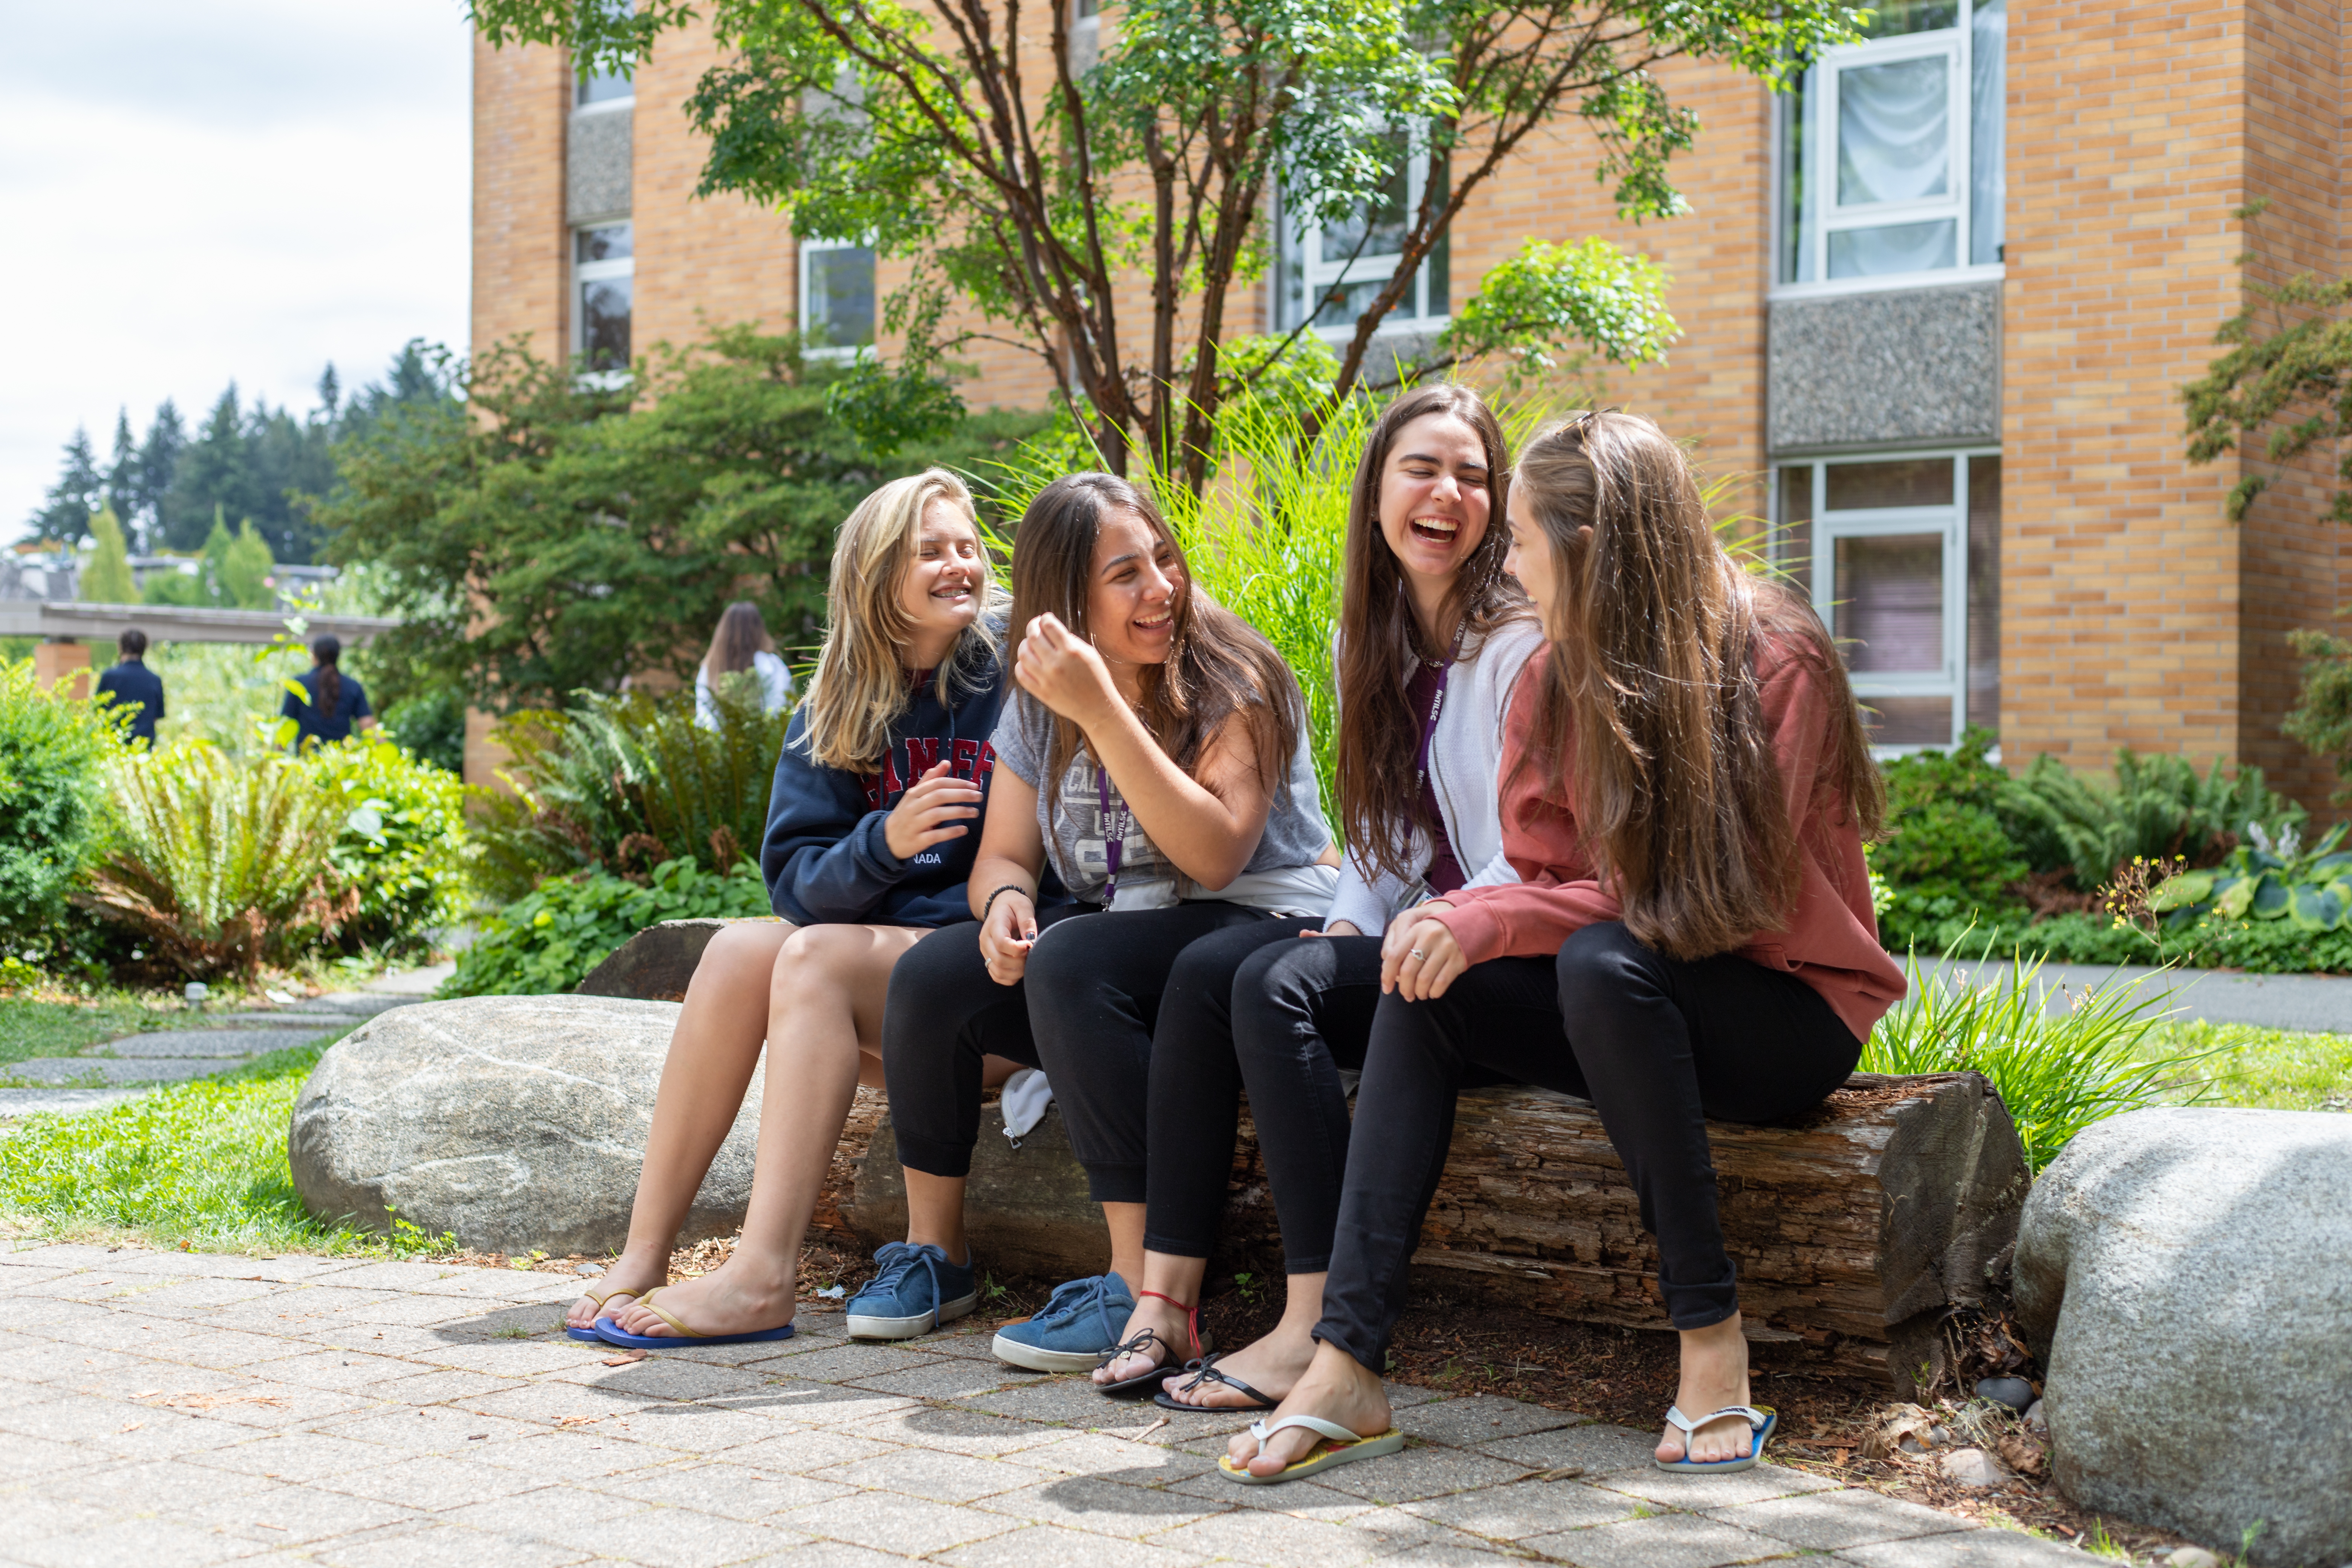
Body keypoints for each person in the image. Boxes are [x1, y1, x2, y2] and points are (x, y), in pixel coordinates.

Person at [1225, 410, 1905, 1484]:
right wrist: (1465, 924)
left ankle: (1711, 1342)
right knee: (1426, 980)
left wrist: (1494, 916)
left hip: (1783, 1015)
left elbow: (1726, 902)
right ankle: (1348, 1362)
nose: (1514, 568)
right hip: (1630, 1001)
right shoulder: (1556, 677)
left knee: (1595, 961)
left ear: (1586, 549)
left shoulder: (1777, 660)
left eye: (1526, 543)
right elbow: (1545, 875)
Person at [1100, 385, 1544, 1406]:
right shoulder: (1370, 640)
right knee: (1215, 970)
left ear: (1498, 503)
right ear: (1377, 494)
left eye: (1473, 476)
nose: (1447, 494)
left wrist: (1411, 928)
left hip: (1499, 948)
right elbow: (1385, 835)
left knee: (1274, 984)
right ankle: (1167, 1294)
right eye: (1421, 469)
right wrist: (1350, 923)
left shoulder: (1519, 642)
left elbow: (1533, 849)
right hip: (1417, 941)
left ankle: (1314, 1322)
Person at [852, 472, 1338, 1373]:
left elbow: (1218, 853)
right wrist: (1003, 906)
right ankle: (934, 1256)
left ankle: (1136, 1287)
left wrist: (1101, 707)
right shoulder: (1038, 702)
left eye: (1163, 558)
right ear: (1067, 600)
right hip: (1138, 939)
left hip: (1267, 922)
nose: (1160, 587)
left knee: (1076, 963)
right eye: (1125, 575)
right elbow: (1004, 857)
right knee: (931, 979)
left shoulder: (1236, 671)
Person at [571, 468, 1021, 1346]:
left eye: (967, 547)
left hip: (982, 991)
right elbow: (796, 883)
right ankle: (645, 1247)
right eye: (931, 550)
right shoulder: (836, 701)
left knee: (809, 958)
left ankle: (762, 1274)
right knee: (739, 950)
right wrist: (884, 843)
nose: (959, 564)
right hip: (885, 983)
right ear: (875, 570)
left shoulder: (1012, 679)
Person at [696, 600, 795, 727]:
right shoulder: (770, 665)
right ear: (758, 629)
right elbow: (781, 709)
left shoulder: (709, 668)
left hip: (722, 743)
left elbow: (705, 717)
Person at [280, 635, 375, 748]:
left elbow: (284, 725)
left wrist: (277, 761)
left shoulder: (298, 684)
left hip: (306, 761)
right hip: (340, 760)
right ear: (339, 655)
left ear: (313, 654)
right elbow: (368, 725)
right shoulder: (353, 686)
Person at [95, 628, 165, 747]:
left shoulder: (109, 677)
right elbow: (156, 717)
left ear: (120, 647)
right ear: (144, 649)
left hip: (112, 746)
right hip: (143, 749)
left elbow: (97, 710)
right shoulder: (155, 680)